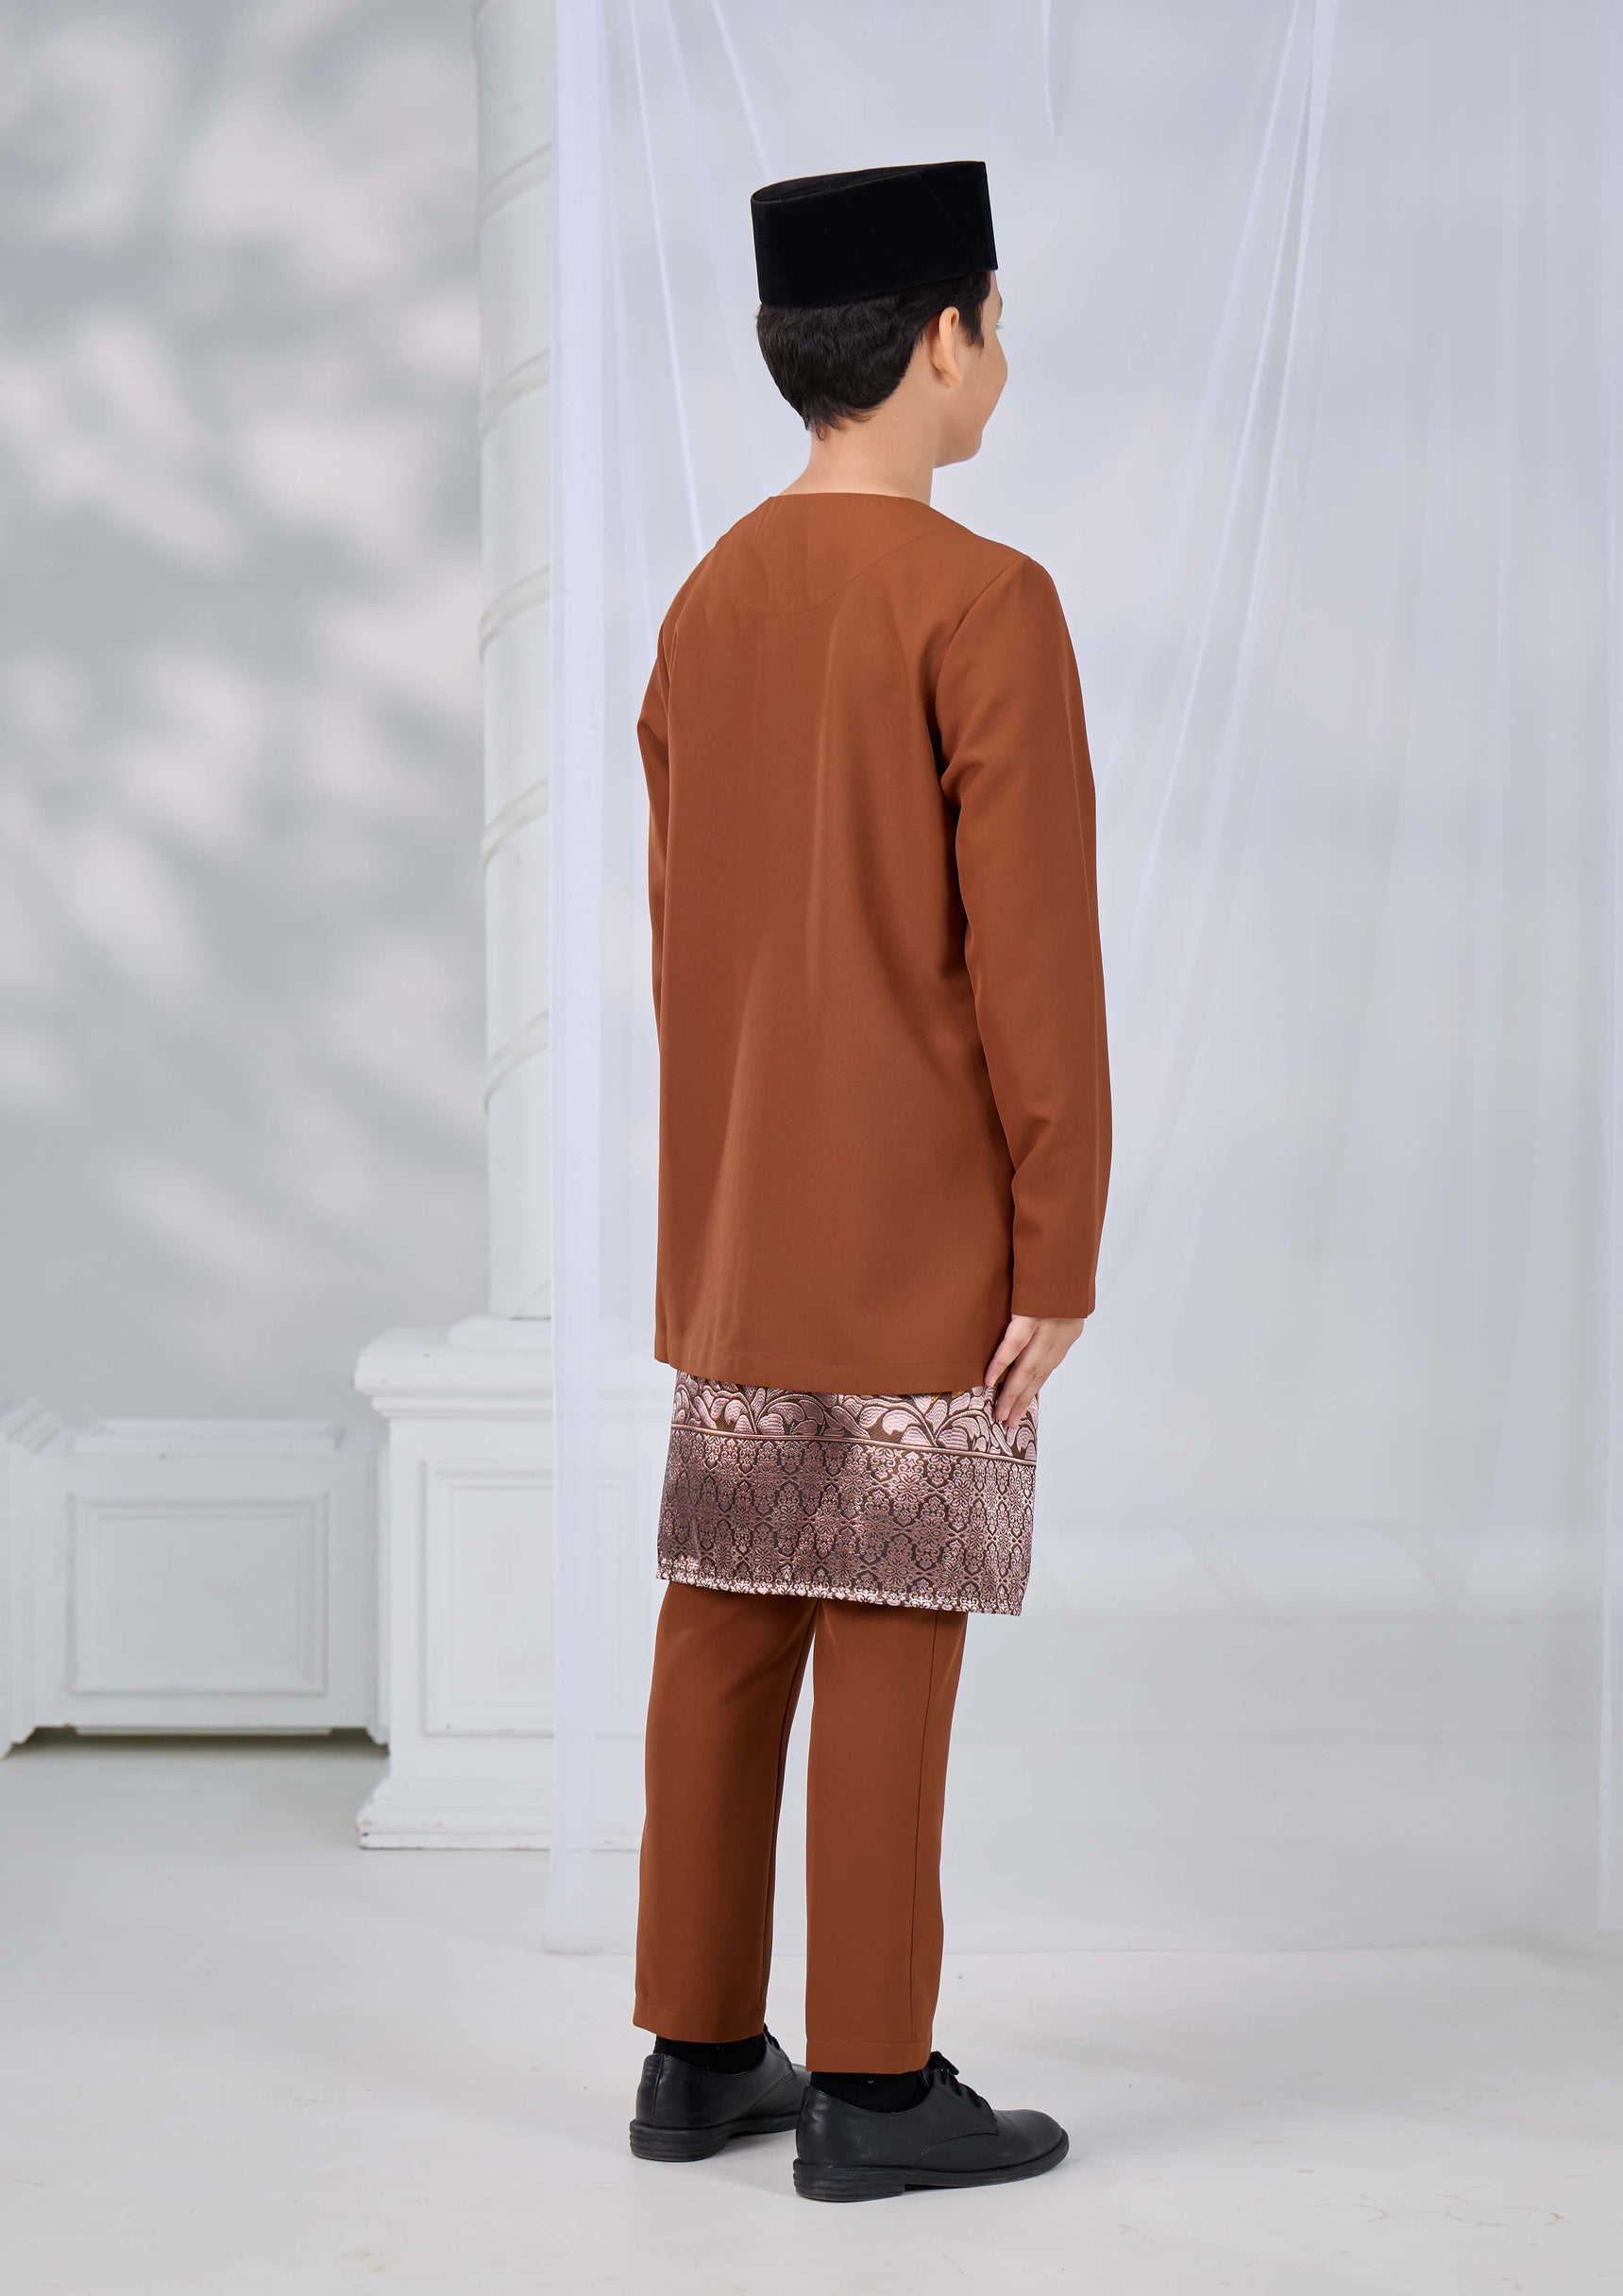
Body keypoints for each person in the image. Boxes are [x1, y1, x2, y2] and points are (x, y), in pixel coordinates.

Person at [627, 160, 1111, 2203]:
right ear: (941, 339)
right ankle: (876, 2087)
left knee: (726, 1618)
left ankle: (695, 2054)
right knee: (890, 1633)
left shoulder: (709, 596)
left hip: (741, 1213)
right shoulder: (982, 600)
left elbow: (684, 934)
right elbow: (1034, 960)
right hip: (920, 1217)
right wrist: (1058, 1241)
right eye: (993, 321)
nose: (999, 356)